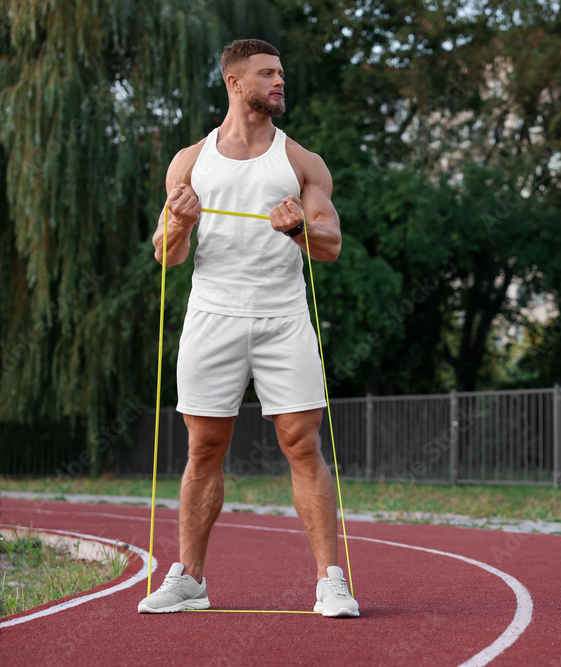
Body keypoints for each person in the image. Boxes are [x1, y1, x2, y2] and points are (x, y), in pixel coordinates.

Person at [138, 39, 358, 618]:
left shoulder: (302, 162)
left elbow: (331, 245)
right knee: (204, 447)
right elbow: (167, 255)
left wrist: (297, 232)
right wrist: (178, 224)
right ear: (235, 83)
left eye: (281, 72)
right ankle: (189, 580)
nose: (279, 81)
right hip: (212, 316)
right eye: (268, 73)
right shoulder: (190, 161)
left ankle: (331, 580)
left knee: (302, 444)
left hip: (284, 317)